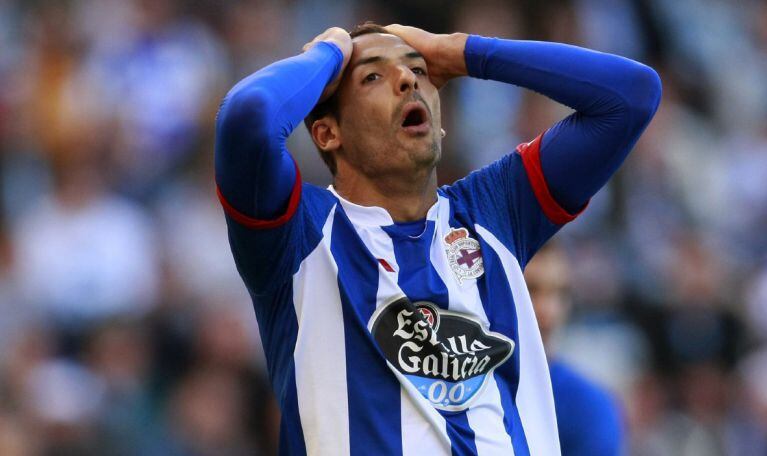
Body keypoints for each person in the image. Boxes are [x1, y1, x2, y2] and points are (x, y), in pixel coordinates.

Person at [214, 22, 660, 455]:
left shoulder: (496, 210)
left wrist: (464, 52)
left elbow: (631, 95)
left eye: (419, 71)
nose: (408, 81)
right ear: (328, 133)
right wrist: (328, 53)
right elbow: (248, 116)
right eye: (373, 76)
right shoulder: (299, 234)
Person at [525, 242, 624, 455]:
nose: (547, 309)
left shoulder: (588, 405)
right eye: (530, 290)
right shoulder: (459, 388)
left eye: (559, 292)